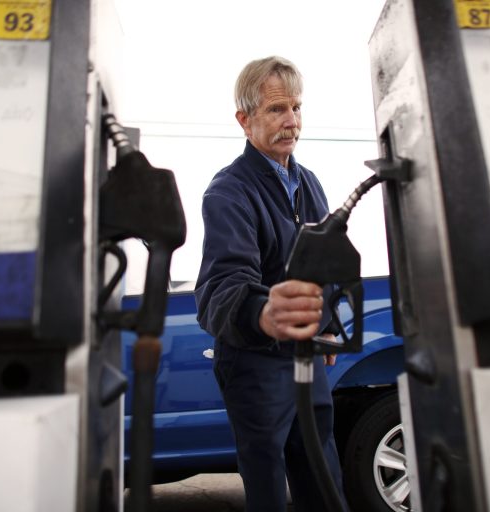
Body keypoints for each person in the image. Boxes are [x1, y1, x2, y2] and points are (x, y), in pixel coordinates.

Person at [195, 56, 347, 512]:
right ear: (244, 120)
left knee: (323, 477)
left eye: (296, 108)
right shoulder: (228, 191)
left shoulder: (309, 183)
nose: (291, 121)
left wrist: (329, 321)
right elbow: (221, 286)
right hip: (255, 363)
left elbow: (325, 264)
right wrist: (263, 312)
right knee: (268, 491)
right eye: (277, 109)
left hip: (307, 355)